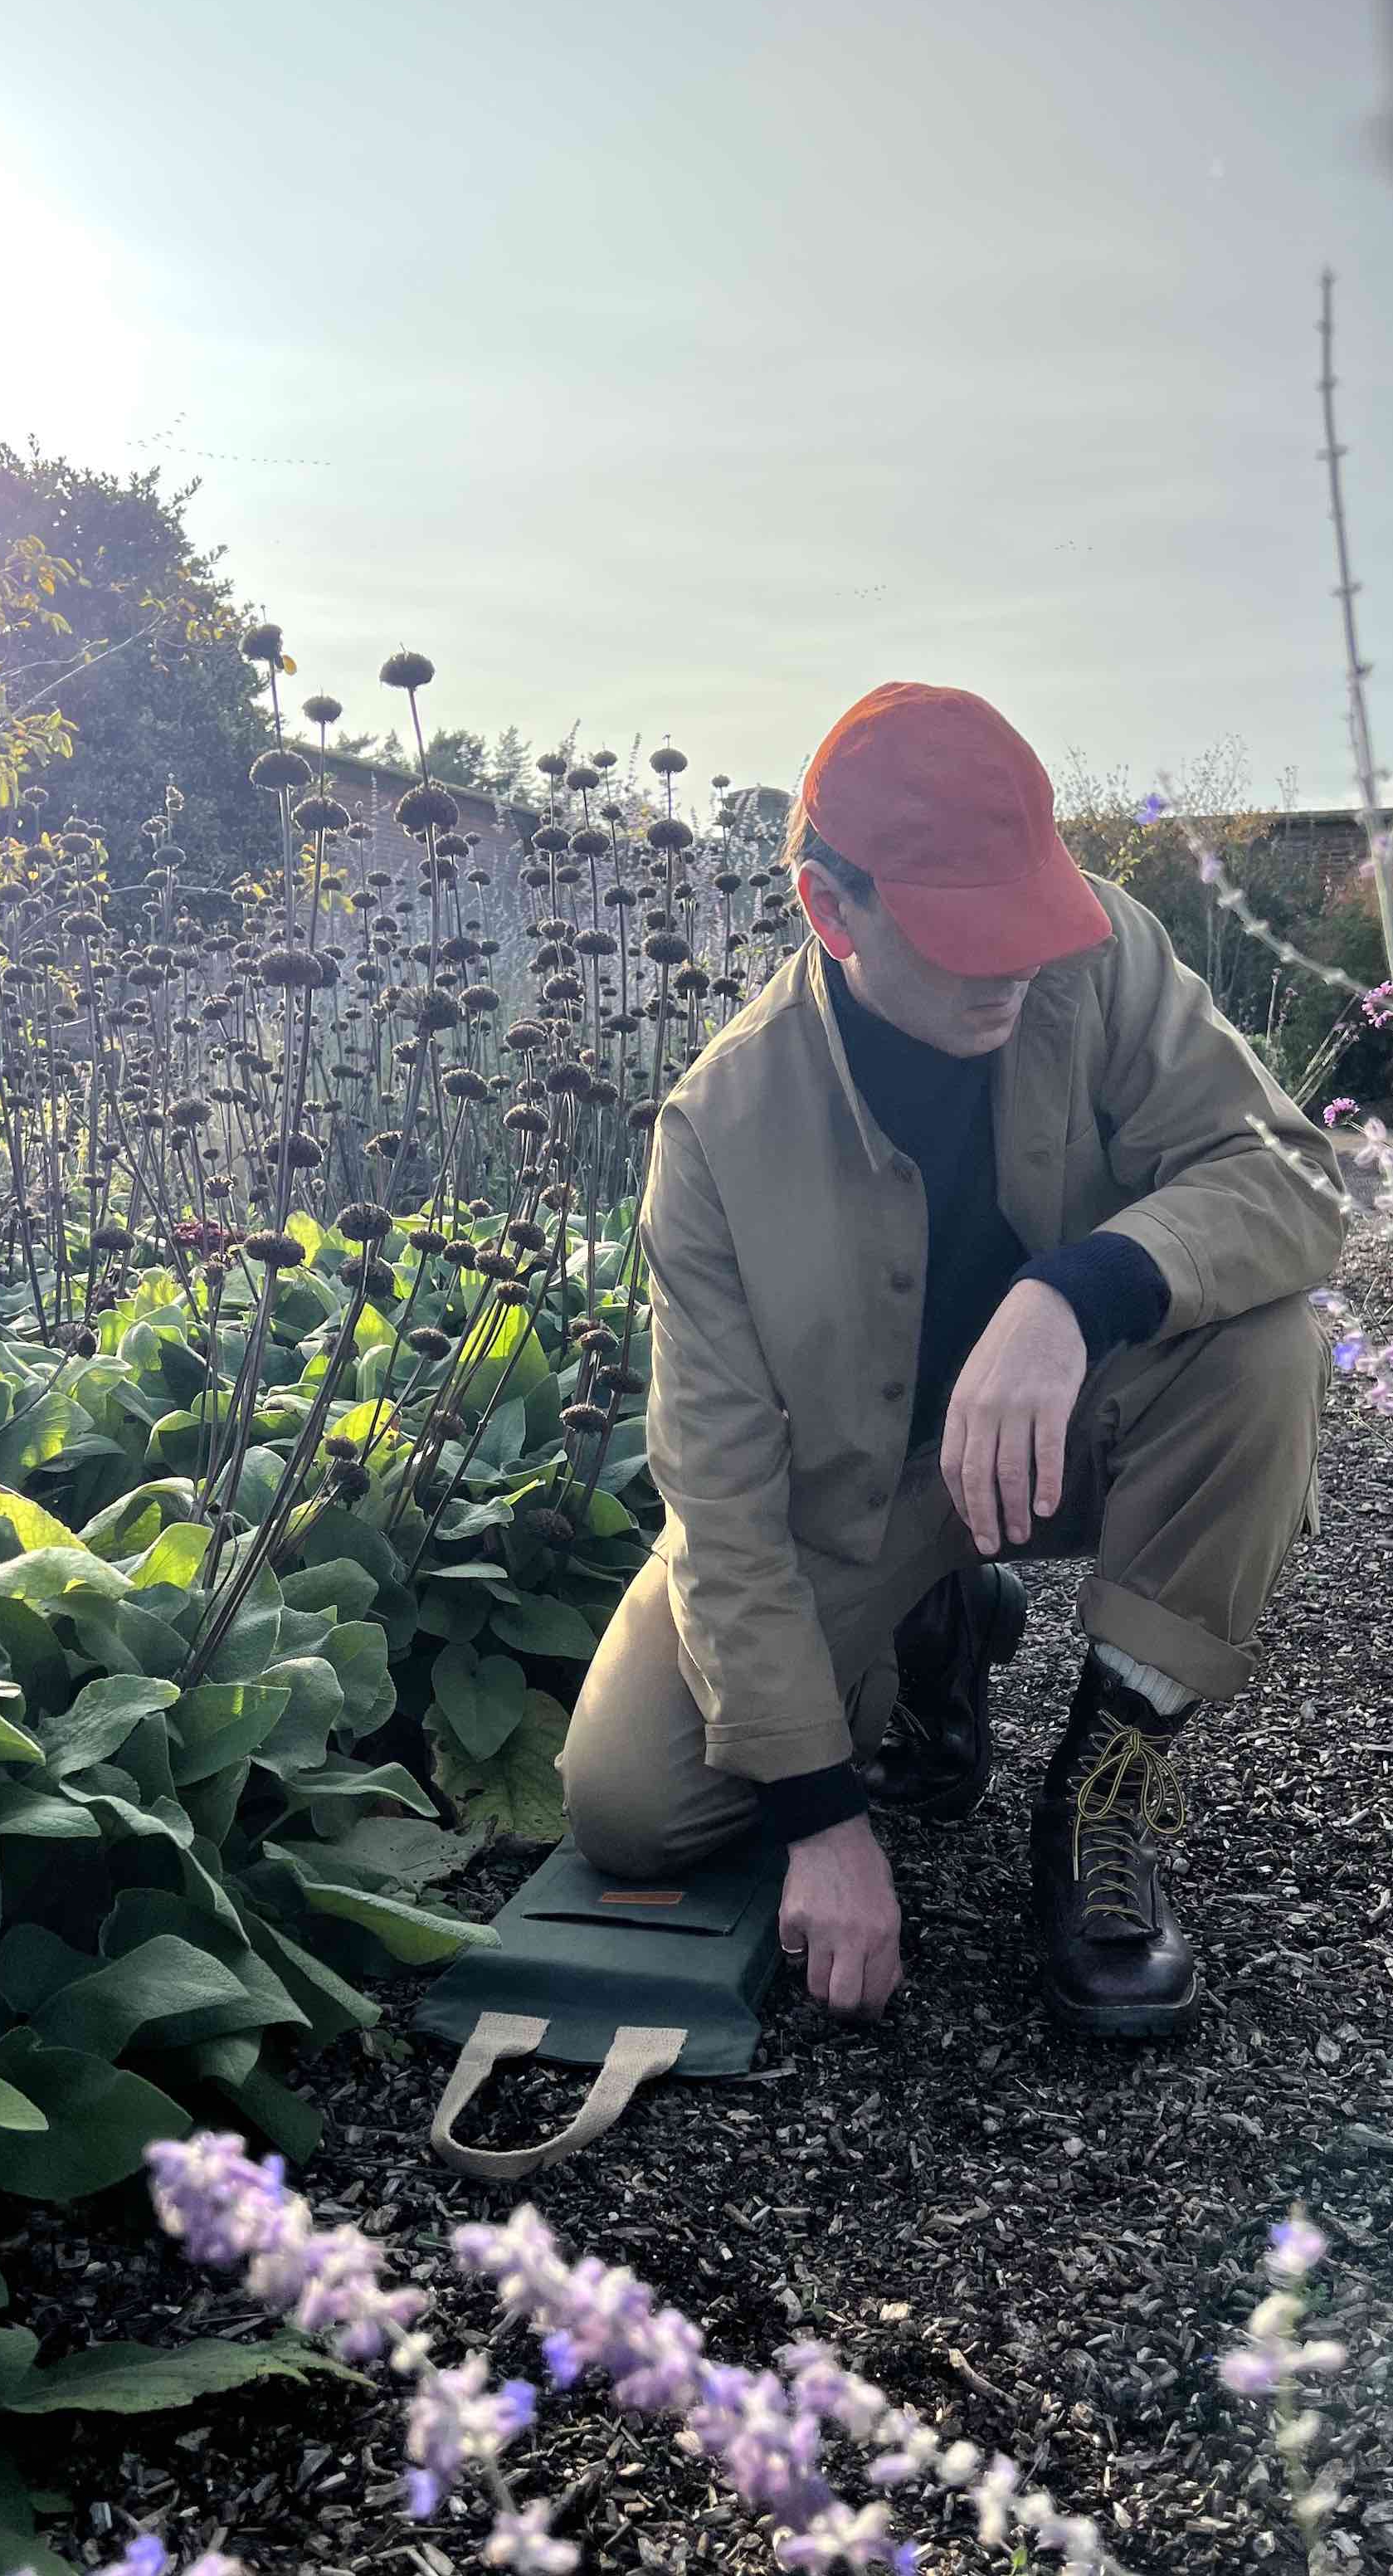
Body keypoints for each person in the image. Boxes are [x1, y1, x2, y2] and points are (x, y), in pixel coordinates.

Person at [556, 681, 1346, 2037]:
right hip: (847, 1502)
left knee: (1265, 1344)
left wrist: (1075, 1292)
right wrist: (817, 1817)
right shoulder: (714, 1134)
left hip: (1076, 1428)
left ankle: (1106, 1784)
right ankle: (943, 1625)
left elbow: (1287, 1180)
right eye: (968, 938)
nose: (1016, 968)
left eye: (1027, 921)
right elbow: (721, 1504)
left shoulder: (1100, 953)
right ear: (829, 909)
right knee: (631, 1804)